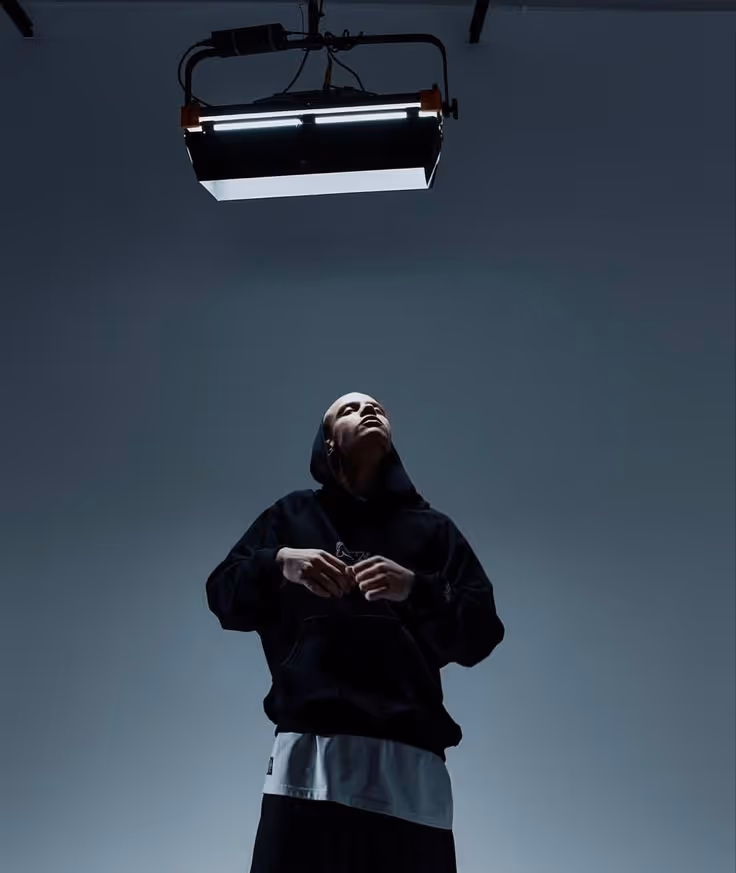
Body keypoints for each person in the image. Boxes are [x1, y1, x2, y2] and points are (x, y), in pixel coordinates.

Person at [206, 392, 505, 873]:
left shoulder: (433, 532)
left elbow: (482, 630)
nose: (370, 411)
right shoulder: (291, 517)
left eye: (378, 408)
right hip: (310, 758)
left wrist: (416, 589)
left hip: (409, 765)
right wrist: (281, 562)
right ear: (328, 445)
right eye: (349, 409)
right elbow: (222, 594)